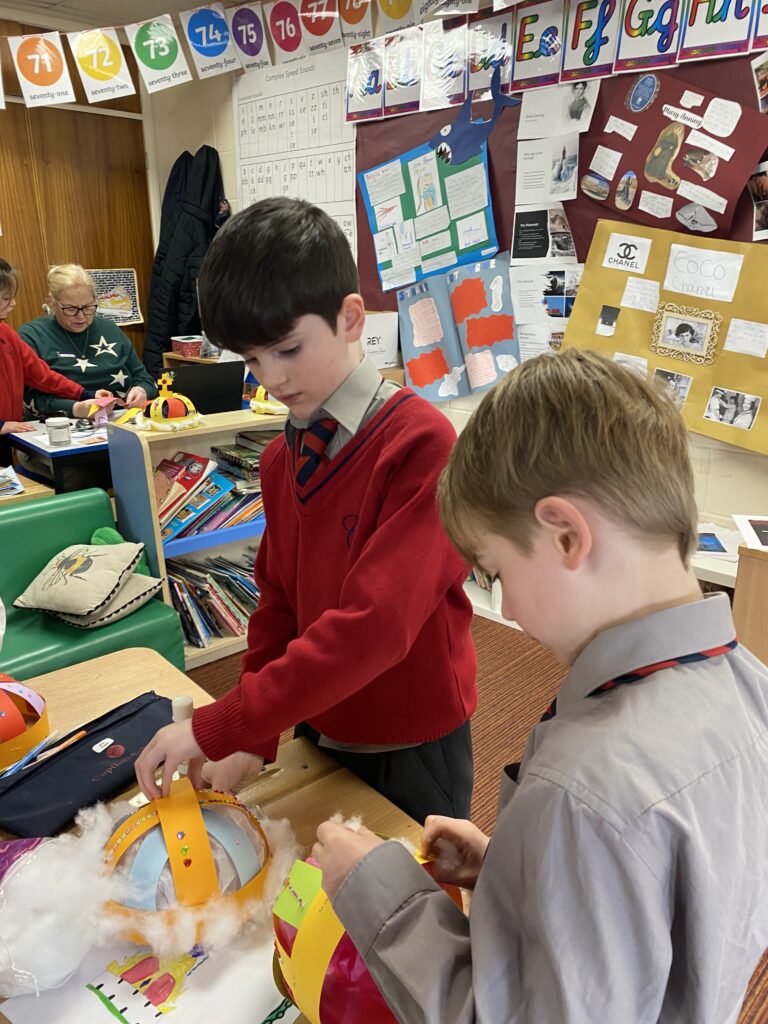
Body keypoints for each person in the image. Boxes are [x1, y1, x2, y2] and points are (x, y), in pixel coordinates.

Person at [311, 350, 768, 1023]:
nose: (511, 610)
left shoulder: (586, 791)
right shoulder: (751, 685)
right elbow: (654, 918)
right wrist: (517, 872)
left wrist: (378, 893)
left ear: (564, 536)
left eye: (495, 572)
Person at [135, 198, 477, 825]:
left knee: (407, 904)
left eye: (287, 349)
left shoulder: (423, 445)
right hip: (319, 722)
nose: (271, 379)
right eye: (252, 360)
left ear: (350, 318)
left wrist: (224, 722)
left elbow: (377, 625)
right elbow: (277, 606)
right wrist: (253, 736)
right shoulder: (278, 459)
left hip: (410, 737)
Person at [0, 259, 109, 467]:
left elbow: (43, 376)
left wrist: (83, 393)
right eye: (6, 298)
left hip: (7, 436)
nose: (13, 303)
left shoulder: (7, 334)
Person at [19, 264, 158, 420]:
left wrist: (142, 391)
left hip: (121, 417)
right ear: (52, 302)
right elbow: (26, 398)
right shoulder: (32, 335)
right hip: (62, 422)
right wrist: (75, 408)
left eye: (88, 307)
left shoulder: (109, 328)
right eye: (70, 309)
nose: (81, 317)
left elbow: (144, 377)